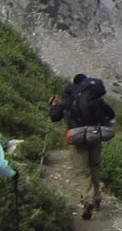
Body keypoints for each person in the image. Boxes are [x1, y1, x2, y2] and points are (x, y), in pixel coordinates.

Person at [49, 73, 117, 218]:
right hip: (95, 135)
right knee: (95, 167)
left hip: (78, 137)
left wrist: (54, 105)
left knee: (82, 171)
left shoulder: (68, 99)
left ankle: (88, 199)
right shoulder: (95, 98)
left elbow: (54, 117)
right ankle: (97, 197)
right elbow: (111, 114)